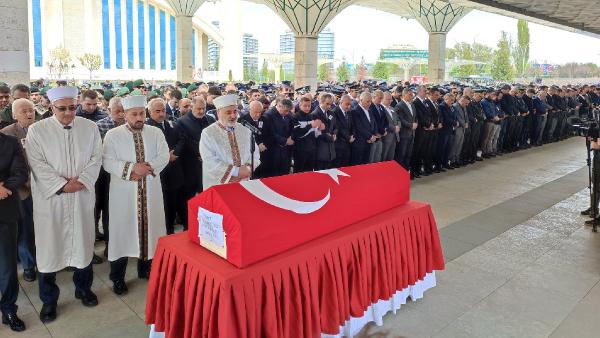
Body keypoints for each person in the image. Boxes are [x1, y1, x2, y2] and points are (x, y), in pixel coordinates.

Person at [26, 86, 102, 323]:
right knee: (50, 250)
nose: (68, 113)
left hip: (81, 196)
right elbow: (36, 163)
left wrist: (82, 180)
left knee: (83, 243)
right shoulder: (37, 130)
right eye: (62, 108)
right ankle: (49, 301)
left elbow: (96, 157)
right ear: (51, 108)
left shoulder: (90, 128)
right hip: (51, 201)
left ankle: (83, 289)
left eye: (72, 107)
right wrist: (61, 184)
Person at [102, 95, 170, 295]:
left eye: (141, 113)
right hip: (124, 193)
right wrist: (131, 168)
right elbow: (107, 161)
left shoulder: (155, 133)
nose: (139, 118)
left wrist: (145, 168)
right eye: (134, 114)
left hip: (150, 189)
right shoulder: (113, 135)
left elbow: (164, 155)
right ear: (125, 114)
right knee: (122, 234)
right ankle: (117, 277)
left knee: (150, 231)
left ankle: (146, 269)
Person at [0, 99, 37, 282]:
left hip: (45, 188)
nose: (29, 114)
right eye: (24, 111)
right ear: (14, 115)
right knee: (25, 231)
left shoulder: (43, 130)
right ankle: (29, 265)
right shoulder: (7, 134)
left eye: (31, 110)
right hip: (22, 191)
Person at [199, 94, 260, 190]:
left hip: (244, 182)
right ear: (219, 113)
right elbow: (209, 160)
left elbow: (255, 153)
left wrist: (248, 168)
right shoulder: (208, 133)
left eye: (235, 111)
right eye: (228, 112)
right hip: (220, 185)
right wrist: (235, 172)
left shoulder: (245, 130)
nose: (233, 115)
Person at [0, 132, 28, 332]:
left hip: (5, 212)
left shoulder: (9, 142)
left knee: (7, 268)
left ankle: (9, 309)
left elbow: (20, 173)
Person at [145, 98, 186, 235]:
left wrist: (175, 152)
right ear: (150, 112)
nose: (161, 114)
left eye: (163, 110)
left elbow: (181, 139)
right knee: (164, 209)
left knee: (177, 205)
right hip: (160, 175)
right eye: (158, 111)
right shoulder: (147, 129)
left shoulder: (170, 124)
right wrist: (165, 156)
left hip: (175, 172)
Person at [238, 100, 271, 178]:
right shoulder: (242, 121)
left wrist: (265, 144)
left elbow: (270, 135)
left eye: (260, 112)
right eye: (255, 112)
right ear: (250, 109)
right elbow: (242, 139)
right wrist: (257, 146)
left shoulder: (265, 119)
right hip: (250, 155)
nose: (258, 114)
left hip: (264, 153)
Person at [265, 99, 294, 176]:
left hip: (286, 150)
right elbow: (270, 133)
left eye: (288, 111)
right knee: (275, 175)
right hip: (274, 150)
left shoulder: (288, 114)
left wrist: (291, 137)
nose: (287, 113)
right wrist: (285, 141)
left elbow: (293, 127)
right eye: (285, 111)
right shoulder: (268, 115)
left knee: (285, 173)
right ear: (279, 106)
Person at [291, 96, 319, 173]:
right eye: (305, 106)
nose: (307, 108)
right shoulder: (295, 117)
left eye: (309, 106)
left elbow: (314, 134)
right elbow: (297, 133)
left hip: (311, 149)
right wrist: (310, 125)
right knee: (298, 173)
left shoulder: (312, 116)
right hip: (300, 150)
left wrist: (319, 129)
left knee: (309, 172)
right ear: (300, 106)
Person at [394, 88, 418, 172]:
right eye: (410, 94)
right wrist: (411, 125)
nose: (412, 96)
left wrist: (415, 123)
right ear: (404, 95)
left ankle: (406, 171)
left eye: (412, 95)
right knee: (401, 154)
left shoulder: (412, 105)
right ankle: (399, 173)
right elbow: (400, 119)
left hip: (412, 133)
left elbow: (415, 117)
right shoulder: (399, 105)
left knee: (408, 154)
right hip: (404, 134)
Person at [351, 92, 377, 165]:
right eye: (367, 101)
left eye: (370, 101)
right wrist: (370, 136)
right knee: (357, 166)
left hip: (369, 143)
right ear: (361, 100)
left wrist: (374, 135)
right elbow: (359, 127)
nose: (369, 103)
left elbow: (374, 123)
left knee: (365, 164)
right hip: (359, 144)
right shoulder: (355, 111)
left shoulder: (370, 110)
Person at [332, 94, 354, 168]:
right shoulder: (334, 112)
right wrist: (348, 137)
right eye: (347, 104)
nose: (349, 106)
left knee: (346, 166)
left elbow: (352, 125)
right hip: (339, 145)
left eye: (350, 104)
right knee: (338, 166)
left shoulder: (349, 112)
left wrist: (352, 135)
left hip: (348, 144)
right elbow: (338, 128)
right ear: (341, 102)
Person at [381, 92, 400, 162]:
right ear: (382, 99)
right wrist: (394, 128)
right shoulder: (381, 108)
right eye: (388, 99)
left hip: (394, 136)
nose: (390, 101)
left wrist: (398, 126)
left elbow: (398, 119)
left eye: (391, 99)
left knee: (391, 158)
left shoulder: (392, 108)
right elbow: (384, 122)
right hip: (386, 137)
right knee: (383, 157)